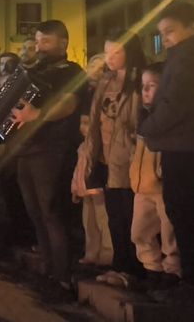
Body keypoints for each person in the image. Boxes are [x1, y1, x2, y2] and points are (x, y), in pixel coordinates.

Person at [12, 20, 85, 289]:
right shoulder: (32, 70)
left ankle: (62, 276)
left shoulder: (71, 71)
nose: (40, 47)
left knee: (51, 212)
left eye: (47, 42)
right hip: (26, 149)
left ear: (63, 43)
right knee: (35, 212)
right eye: (38, 41)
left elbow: (68, 103)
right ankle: (49, 268)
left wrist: (38, 115)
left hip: (52, 149)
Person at [139, 2, 194, 303]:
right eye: (162, 34)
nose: (165, 39)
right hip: (184, 145)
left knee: (186, 213)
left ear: (193, 28)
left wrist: (147, 127)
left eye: (171, 32)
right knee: (184, 213)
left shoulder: (189, 58)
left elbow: (176, 104)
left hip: (187, 149)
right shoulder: (182, 57)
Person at [79, 29, 148, 286]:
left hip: (129, 161)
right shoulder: (105, 82)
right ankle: (119, 265)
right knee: (114, 216)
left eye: (116, 52)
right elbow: (96, 120)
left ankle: (134, 270)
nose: (110, 57)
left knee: (131, 217)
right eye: (107, 52)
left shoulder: (140, 81)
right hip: (106, 159)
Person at [131, 62, 181, 292]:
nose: (146, 91)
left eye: (152, 85)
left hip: (161, 186)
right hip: (142, 185)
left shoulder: (170, 118)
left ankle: (173, 273)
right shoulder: (144, 117)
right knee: (140, 231)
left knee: (170, 234)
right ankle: (152, 269)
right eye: (143, 86)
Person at [70, 53, 113, 268]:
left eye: (101, 67)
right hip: (85, 151)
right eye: (92, 67)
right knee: (88, 206)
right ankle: (91, 251)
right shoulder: (85, 93)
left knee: (101, 206)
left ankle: (107, 254)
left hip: (102, 153)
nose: (95, 71)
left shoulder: (109, 92)